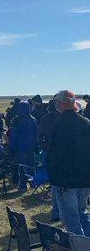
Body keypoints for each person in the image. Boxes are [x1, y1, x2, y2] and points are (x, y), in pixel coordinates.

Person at [46, 89, 90, 236]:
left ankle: (79, 248)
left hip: (66, 181)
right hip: (84, 180)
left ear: (64, 103)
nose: (56, 105)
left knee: (71, 219)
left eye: (58, 102)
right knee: (82, 213)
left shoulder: (60, 124)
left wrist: (54, 176)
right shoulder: (86, 122)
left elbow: (55, 154)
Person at [8, 100, 37, 191]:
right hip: (31, 146)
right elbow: (36, 134)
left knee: (22, 167)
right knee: (31, 166)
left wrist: (12, 147)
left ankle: (23, 186)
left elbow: (14, 135)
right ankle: (33, 183)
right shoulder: (33, 119)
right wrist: (36, 145)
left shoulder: (17, 120)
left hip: (21, 147)